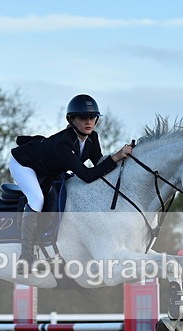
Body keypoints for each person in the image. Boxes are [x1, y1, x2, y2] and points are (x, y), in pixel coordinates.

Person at [9, 94, 133, 273]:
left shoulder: (92, 138)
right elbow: (87, 175)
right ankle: (26, 257)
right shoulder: (63, 143)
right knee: (36, 199)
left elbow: (99, 163)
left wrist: (124, 161)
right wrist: (115, 157)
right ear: (72, 120)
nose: (88, 122)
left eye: (92, 117)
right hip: (24, 164)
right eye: (83, 118)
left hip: (49, 168)